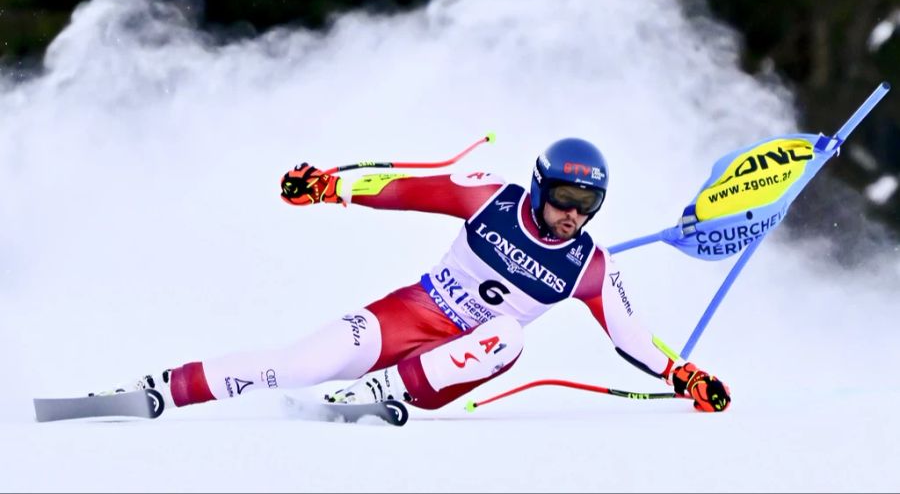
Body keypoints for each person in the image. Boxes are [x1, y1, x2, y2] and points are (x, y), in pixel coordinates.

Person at [96, 137, 731, 415]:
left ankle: (384, 396)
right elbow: (407, 188)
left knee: (510, 336)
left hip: (453, 364)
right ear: (541, 185)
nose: (572, 215)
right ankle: (159, 388)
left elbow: (633, 336)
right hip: (411, 313)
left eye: (586, 206)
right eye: (564, 197)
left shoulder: (590, 266)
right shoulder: (493, 197)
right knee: (295, 362)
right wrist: (328, 188)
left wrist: (685, 375)